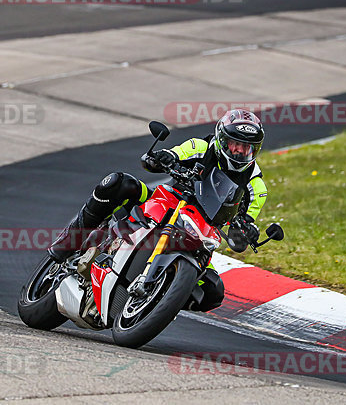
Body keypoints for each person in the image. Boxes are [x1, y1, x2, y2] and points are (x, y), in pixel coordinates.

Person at [47, 109, 268, 311]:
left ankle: (159, 299)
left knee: (213, 292)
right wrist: (164, 157)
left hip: (203, 232)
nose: (239, 151)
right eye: (234, 144)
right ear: (221, 140)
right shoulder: (200, 147)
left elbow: (244, 226)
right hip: (166, 200)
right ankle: (68, 243)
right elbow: (170, 155)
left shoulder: (256, 187)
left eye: (246, 147)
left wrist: (246, 231)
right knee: (118, 183)